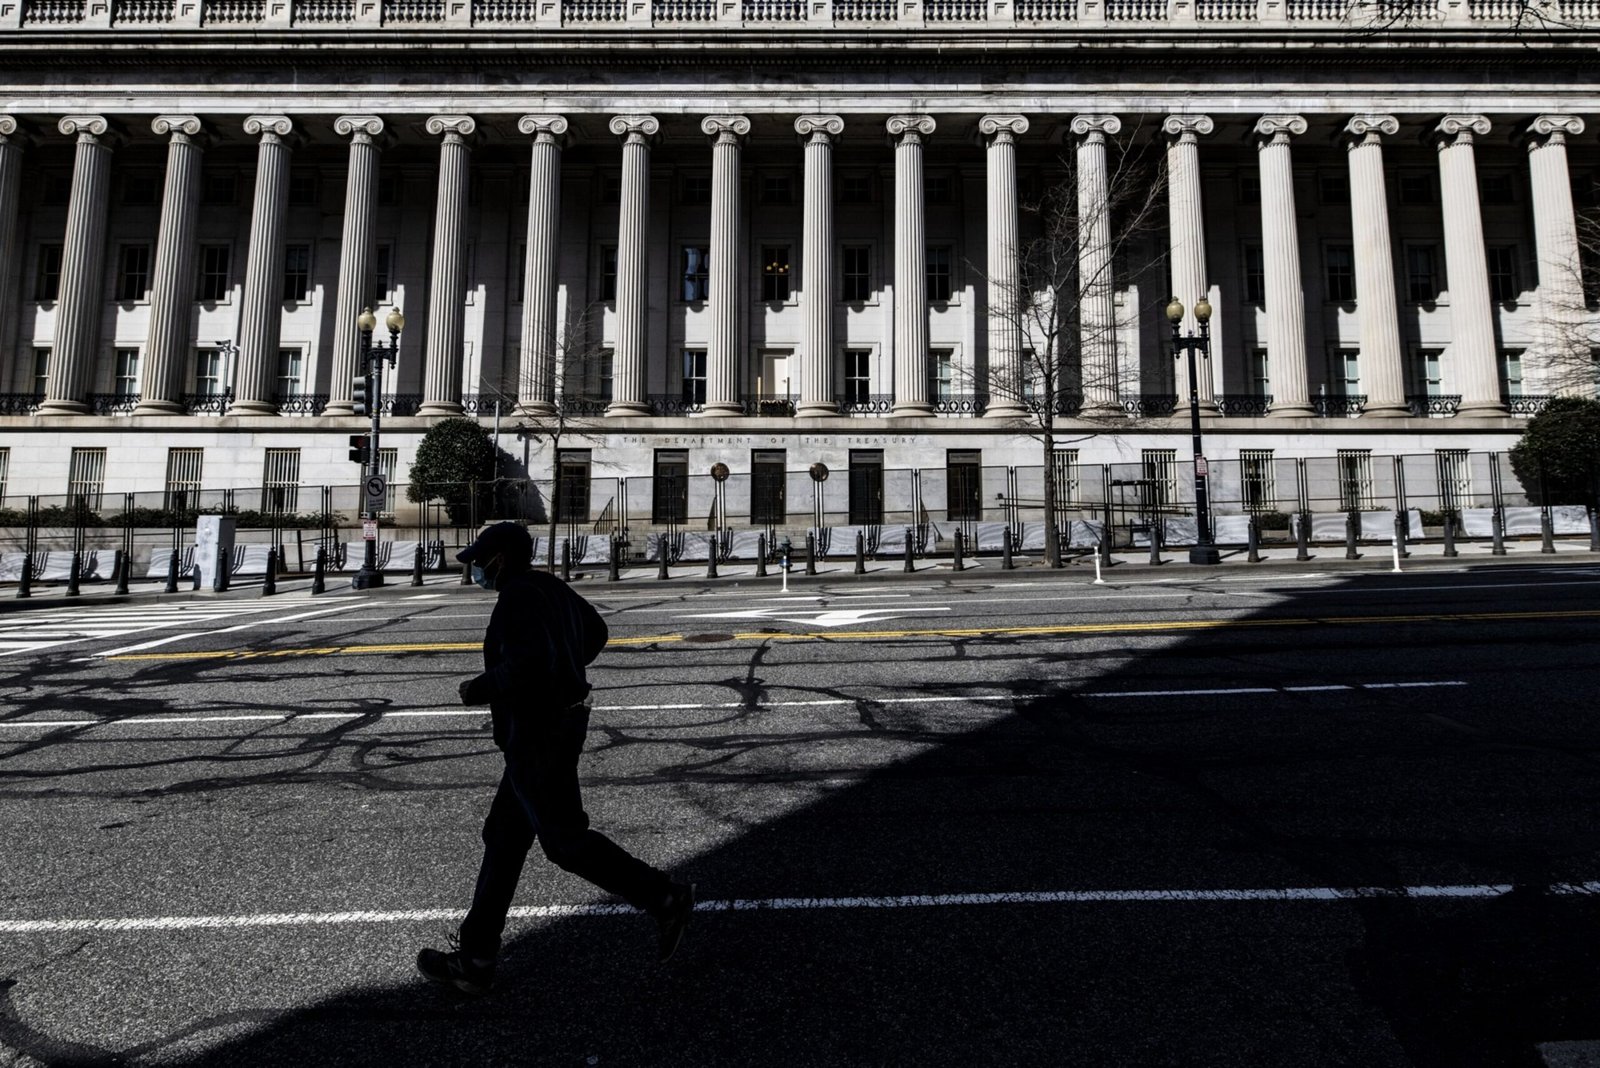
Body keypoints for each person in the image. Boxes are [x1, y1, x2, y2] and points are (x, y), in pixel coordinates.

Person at [417, 522, 694, 996]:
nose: (477, 569)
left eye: (482, 560)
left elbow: (524, 664)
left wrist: (478, 688)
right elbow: (596, 631)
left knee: (564, 841)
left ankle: (663, 896)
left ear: (501, 558)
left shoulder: (518, 597)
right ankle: (476, 956)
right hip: (558, 725)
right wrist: (568, 665)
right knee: (504, 838)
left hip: (537, 733)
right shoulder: (548, 585)